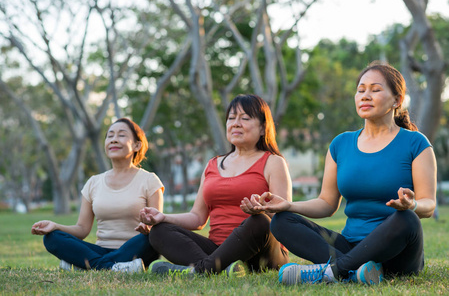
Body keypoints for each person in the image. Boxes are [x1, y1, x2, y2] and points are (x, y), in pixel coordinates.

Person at [255, 61, 437, 285]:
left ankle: (334, 271)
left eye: (376, 89)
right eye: (361, 90)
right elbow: (326, 203)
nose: (365, 96)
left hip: (398, 253)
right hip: (351, 245)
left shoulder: (416, 143)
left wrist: (413, 206)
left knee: (407, 219)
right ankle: (356, 271)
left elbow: (429, 204)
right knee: (282, 222)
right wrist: (288, 205)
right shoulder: (341, 144)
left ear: (397, 100)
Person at [140, 94, 291, 276]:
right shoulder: (213, 164)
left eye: (244, 118)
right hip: (217, 251)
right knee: (159, 232)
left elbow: (284, 219)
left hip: (262, 254)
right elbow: (197, 218)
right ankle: (218, 268)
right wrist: (162, 217)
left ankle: (200, 270)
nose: (236, 123)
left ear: (262, 128)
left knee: (260, 221)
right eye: (231, 118)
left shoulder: (273, 161)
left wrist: (262, 209)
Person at [31, 118, 164, 273]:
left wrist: (148, 227)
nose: (114, 139)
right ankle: (114, 268)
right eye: (110, 136)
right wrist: (55, 226)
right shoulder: (93, 182)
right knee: (52, 237)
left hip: (135, 249)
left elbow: (157, 227)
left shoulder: (149, 180)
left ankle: (86, 265)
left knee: (152, 239)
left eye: (121, 135)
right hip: (100, 250)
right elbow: (82, 229)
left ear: (137, 145)